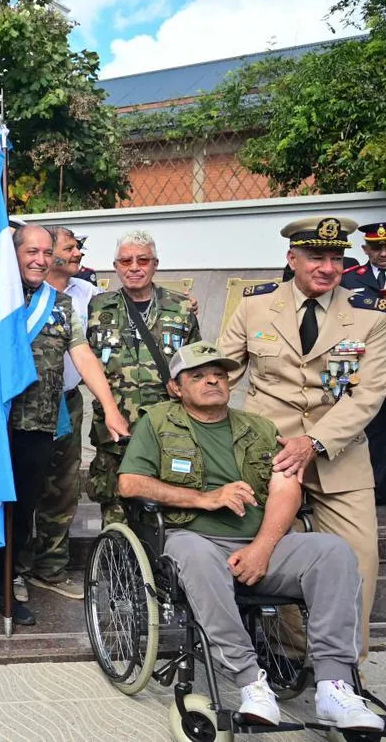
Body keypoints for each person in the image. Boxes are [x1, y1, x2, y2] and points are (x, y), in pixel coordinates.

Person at [117, 341, 383, 733]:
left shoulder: (259, 428)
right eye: (198, 375)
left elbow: (286, 487)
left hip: (260, 544)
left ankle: (334, 685)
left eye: (219, 374)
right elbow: (130, 483)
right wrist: (205, 498)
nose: (212, 380)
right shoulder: (156, 422)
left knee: (333, 551)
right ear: (176, 387)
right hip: (194, 538)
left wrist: (262, 548)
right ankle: (250, 681)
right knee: (194, 554)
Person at [219, 215, 386, 660]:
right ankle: (290, 654)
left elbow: (368, 394)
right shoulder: (255, 307)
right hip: (269, 455)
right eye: (316, 257)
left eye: (336, 258)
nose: (327, 268)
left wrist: (313, 443)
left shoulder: (369, 315)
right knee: (276, 551)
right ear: (292, 258)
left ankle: (345, 665)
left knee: (360, 559)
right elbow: (221, 375)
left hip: (338, 454)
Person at [0, 224, 129, 627]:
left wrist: (110, 407)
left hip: (38, 426)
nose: (40, 260)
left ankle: (2, 587)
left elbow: (83, 355)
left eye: (47, 253)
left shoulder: (59, 305)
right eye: (32, 251)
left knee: (21, 511)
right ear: (13, 254)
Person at [85, 230, 200, 526]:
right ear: (116, 266)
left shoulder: (181, 307)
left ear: (155, 264)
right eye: (126, 261)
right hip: (114, 430)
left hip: (165, 428)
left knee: (165, 509)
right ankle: (115, 555)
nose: (134, 267)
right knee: (114, 512)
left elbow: (196, 366)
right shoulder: (97, 307)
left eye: (143, 260)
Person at [19, 225, 102, 602]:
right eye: (69, 248)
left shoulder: (87, 293)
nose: (77, 254)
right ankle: (15, 568)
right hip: (20, 407)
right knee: (22, 490)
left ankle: (51, 567)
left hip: (66, 402)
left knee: (63, 488)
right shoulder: (14, 294)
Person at [342, 221, 386, 502]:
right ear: (365, 249)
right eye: (376, 247)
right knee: (371, 428)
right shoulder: (349, 279)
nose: (383, 253)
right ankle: (374, 490)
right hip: (365, 365)